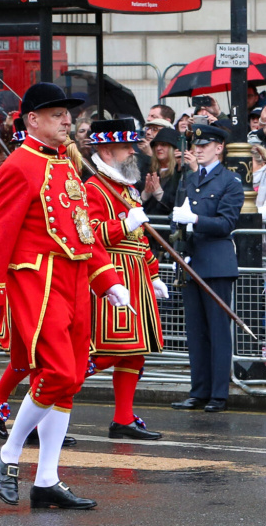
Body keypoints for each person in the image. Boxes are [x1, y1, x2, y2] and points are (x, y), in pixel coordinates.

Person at [0, 82, 128, 510]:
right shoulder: (18, 166)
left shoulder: (67, 165)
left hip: (76, 279)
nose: (68, 120)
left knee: (71, 381)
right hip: (37, 282)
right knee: (59, 372)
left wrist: (107, 279)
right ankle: (7, 454)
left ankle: (46, 479)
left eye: (68, 114)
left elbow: (84, 230)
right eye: (58, 114)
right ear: (32, 120)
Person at [83, 120, 168, 440]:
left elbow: (140, 239)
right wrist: (124, 225)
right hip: (111, 275)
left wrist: (154, 273)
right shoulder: (93, 188)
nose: (133, 151)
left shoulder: (126, 188)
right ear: (106, 150)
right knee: (110, 350)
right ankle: (48, 399)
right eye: (125, 147)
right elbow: (89, 236)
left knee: (135, 351)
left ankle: (123, 418)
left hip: (136, 275)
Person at [169, 124, 244, 413]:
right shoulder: (188, 179)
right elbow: (177, 219)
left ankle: (218, 394)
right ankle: (198, 390)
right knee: (196, 331)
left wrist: (196, 220)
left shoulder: (230, 181)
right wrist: (179, 238)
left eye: (205, 144)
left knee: (217, 330)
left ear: (219, 148)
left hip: (215, 262)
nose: (197, 149)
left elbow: (226, 223)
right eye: (195, 145)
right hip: (191, 261)